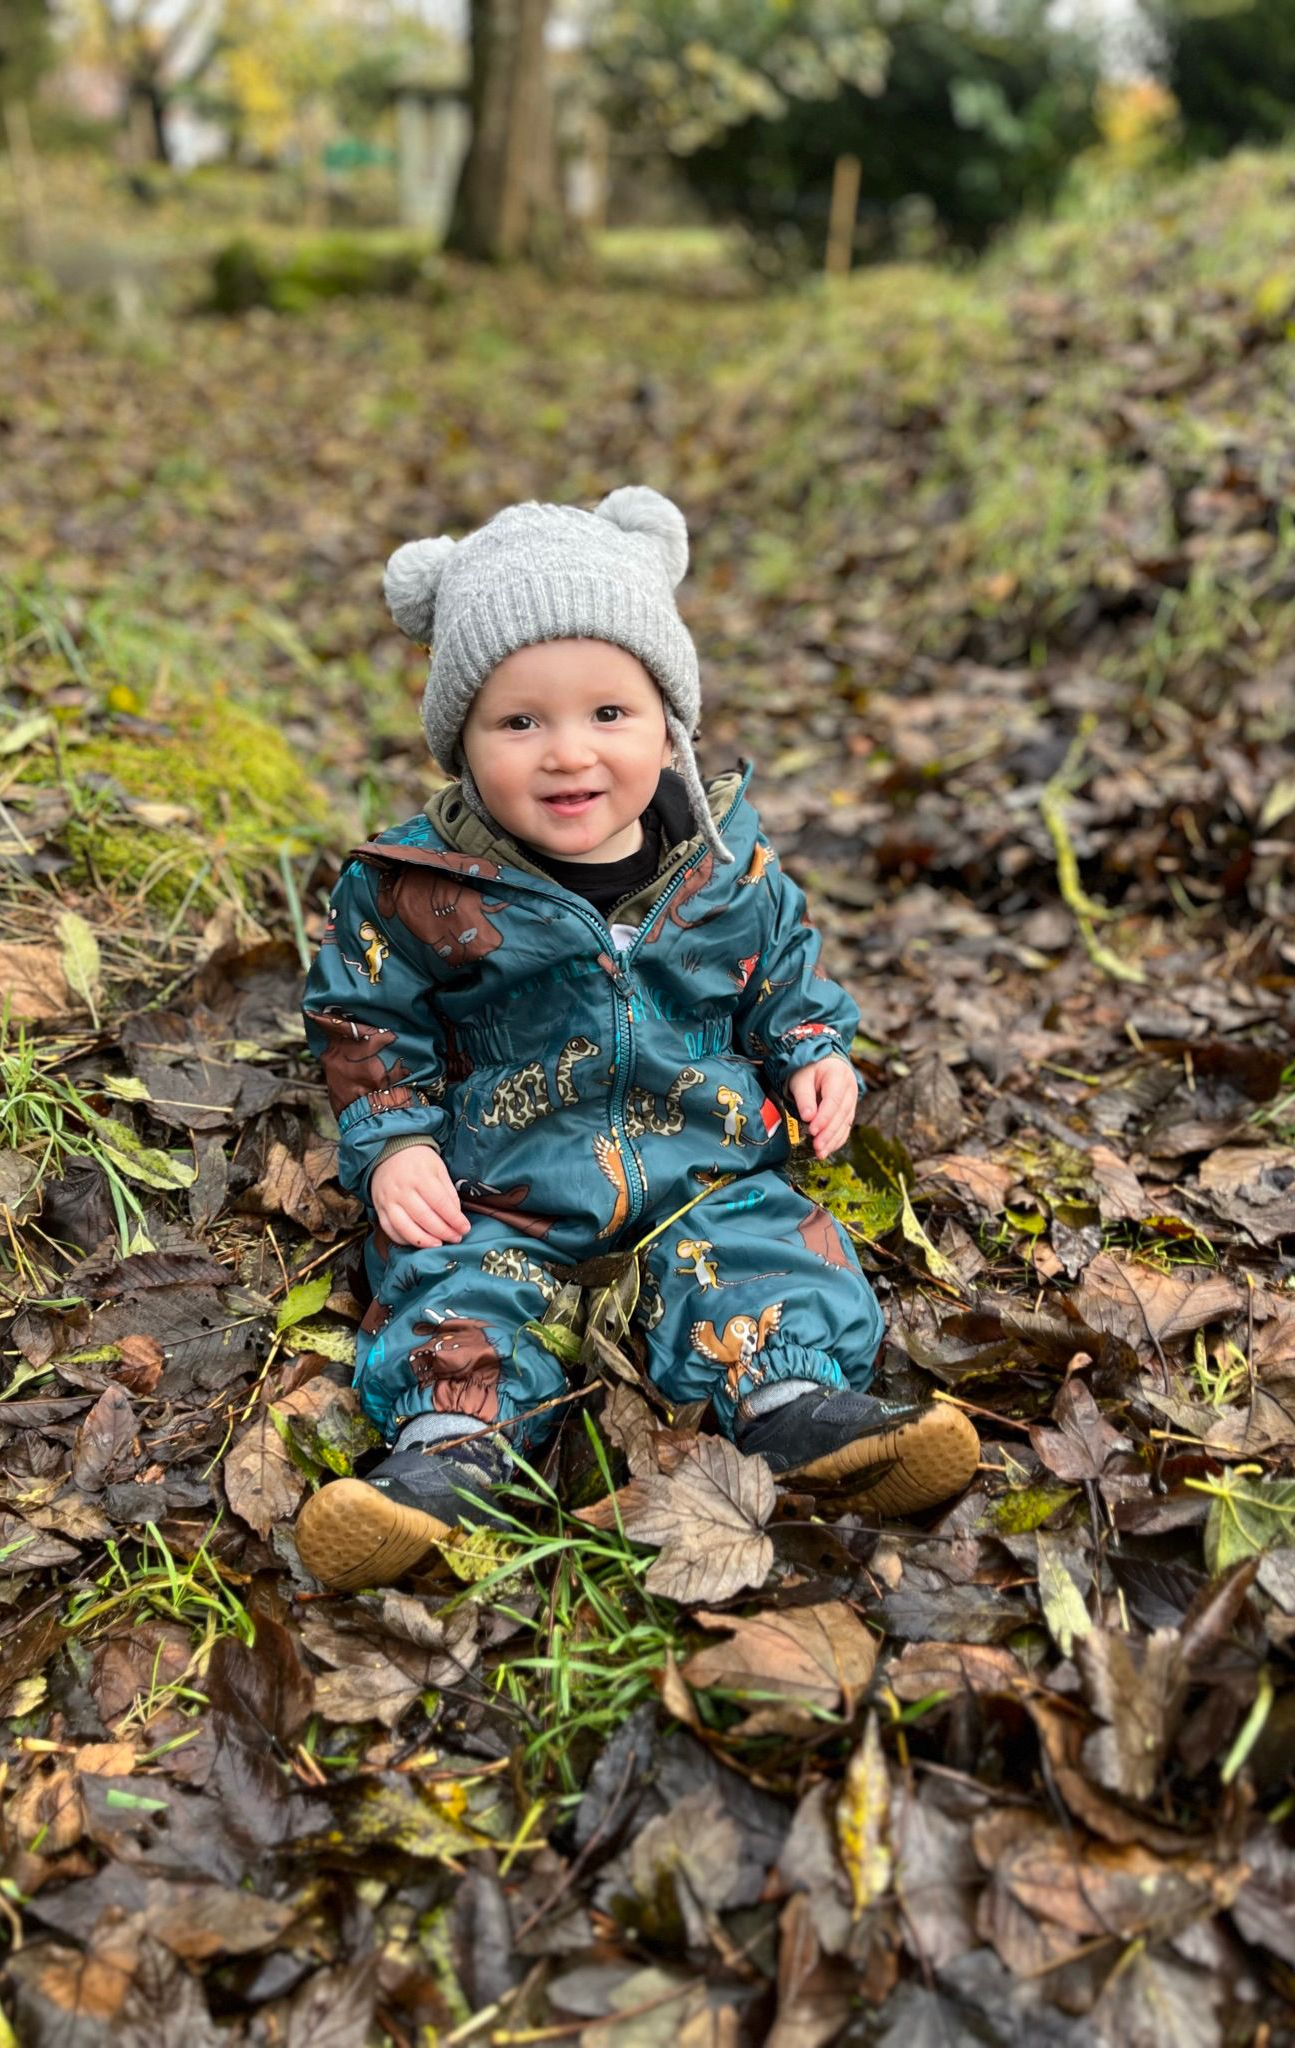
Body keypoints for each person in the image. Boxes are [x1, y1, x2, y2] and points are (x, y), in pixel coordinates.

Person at [295, 488, 977, 1591]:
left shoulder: (725, 863)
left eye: (609, 713)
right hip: (502, 1183)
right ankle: (448, 1457)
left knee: (759, 1253)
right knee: (459, 1285)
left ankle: (794, 1408)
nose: (568, 753)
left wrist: (809, 1044)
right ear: (463, 742)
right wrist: (397, 1143)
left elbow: (781, 963)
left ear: (672, 724)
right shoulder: (413, 888)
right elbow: (368, 1020)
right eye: (520, 722)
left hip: (703, 1165)